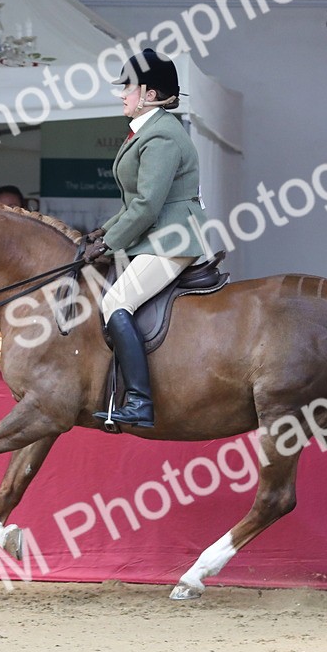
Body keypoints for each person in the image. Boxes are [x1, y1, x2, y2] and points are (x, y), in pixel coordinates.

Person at [82, 48, 210, 429]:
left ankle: (139, 401)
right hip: (155, 235)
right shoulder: (148, 131)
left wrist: (110, 243)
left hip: (171, 239)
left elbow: (148, 207)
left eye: (129, 87)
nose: (123, 94)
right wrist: (102, 231)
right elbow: (135, 202)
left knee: (116, 301)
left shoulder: (162, 138)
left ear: (150, 94)